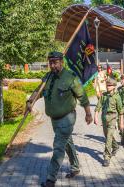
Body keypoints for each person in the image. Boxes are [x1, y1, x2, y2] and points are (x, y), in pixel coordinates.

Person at [26, 51, 93, 187]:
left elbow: (83, 97)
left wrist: (88, 114)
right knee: (67, 142)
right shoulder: (48, 77)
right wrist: (30, 101)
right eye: (50, 62)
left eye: (55, 62)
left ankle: (51, 179)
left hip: (67, 118)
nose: (52, 65)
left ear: (61, 62)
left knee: (58, 147)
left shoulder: (70, 78)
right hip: (54, 119)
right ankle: (75, 166)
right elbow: (38, 91)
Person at [94, 78, 123, 167]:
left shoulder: (117, 97)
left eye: (110, 85)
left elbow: (120, 111)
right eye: (107, 85)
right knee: (107, 135)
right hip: (104, 117)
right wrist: (95, 116)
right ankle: (115, 146)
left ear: (114, 87)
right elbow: (98, 106)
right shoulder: (104, 95)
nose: (108, 86)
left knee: (108, 138)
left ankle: (106, 157)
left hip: (112, 117)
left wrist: (121, 123)